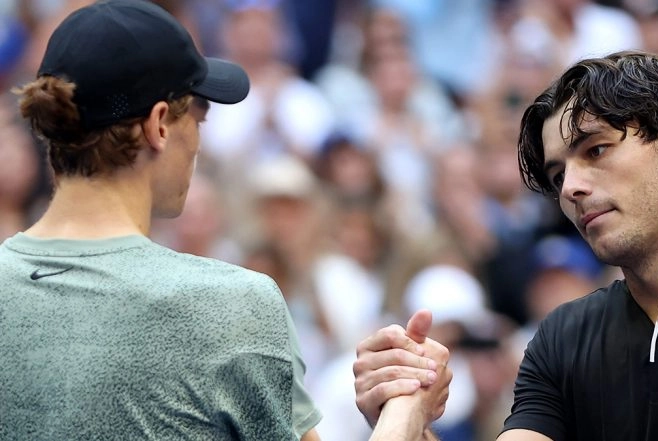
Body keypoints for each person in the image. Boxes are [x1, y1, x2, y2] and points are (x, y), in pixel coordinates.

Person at [0, 1, 450, 440]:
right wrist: (406, 409)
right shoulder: (230, 306)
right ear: (159, 125)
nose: (199, 139)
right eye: (199, 116)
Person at [352, 50, 658, 440]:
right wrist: (407, 413)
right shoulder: (564, 336)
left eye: (595, 150)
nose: (571, 189)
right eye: (558, 176)